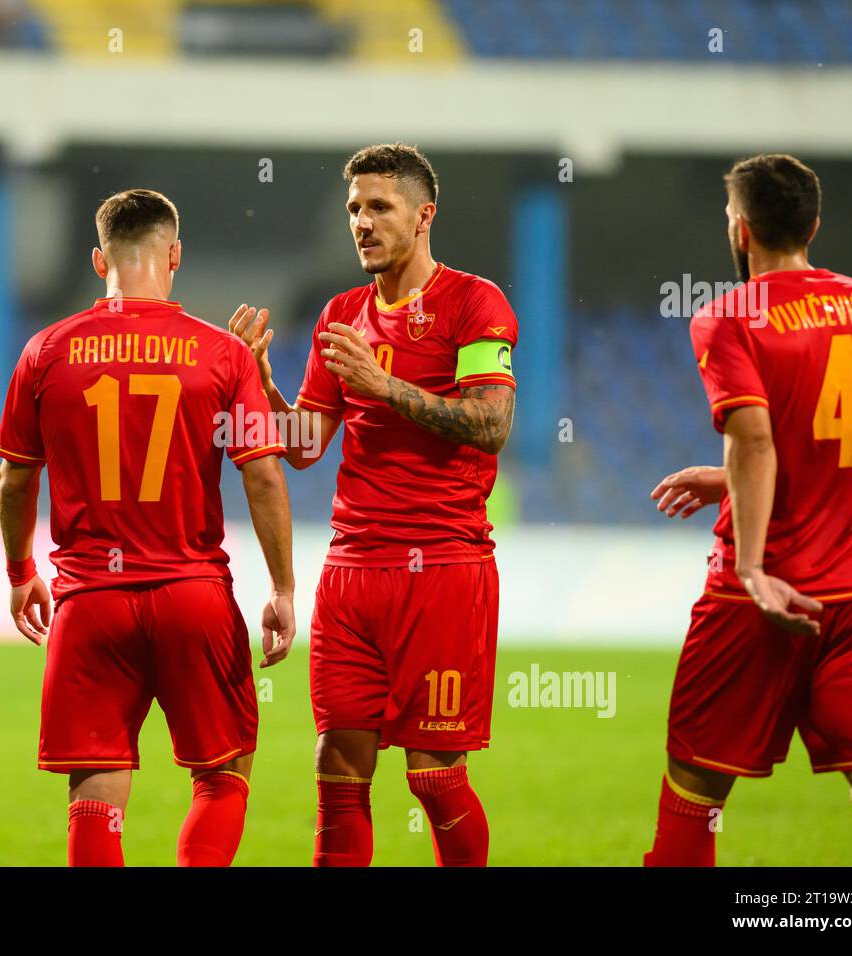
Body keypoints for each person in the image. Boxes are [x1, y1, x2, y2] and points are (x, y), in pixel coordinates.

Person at [231, 143, 518, 866]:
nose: (362, 222)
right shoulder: (342, 313)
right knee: (337, 770)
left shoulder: (474, 302)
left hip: (444, 572)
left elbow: (492, 423)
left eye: (379, 207)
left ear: (424, 217)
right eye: (355, 208)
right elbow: (303, 446)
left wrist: (384, 386)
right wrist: (260, 384)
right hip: (352, 575)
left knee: (433, 776)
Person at [0, 188, 296, 866]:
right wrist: (282, 588)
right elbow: (266, 474)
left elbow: (16, 477)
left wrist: (20, 574)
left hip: (91, 603)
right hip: (192, 595)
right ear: (176, 255)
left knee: (95, 789)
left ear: (99, 258)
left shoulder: (46, 351)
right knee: (222, 775)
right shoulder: (222, 356)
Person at [646, 154, 852, 866]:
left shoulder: (729, 316)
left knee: (696, 782)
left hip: (763, 594)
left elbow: (758, 436)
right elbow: (843, 438)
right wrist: (729, 476)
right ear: (814, 224)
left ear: (740, 231)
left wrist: (753, 565)